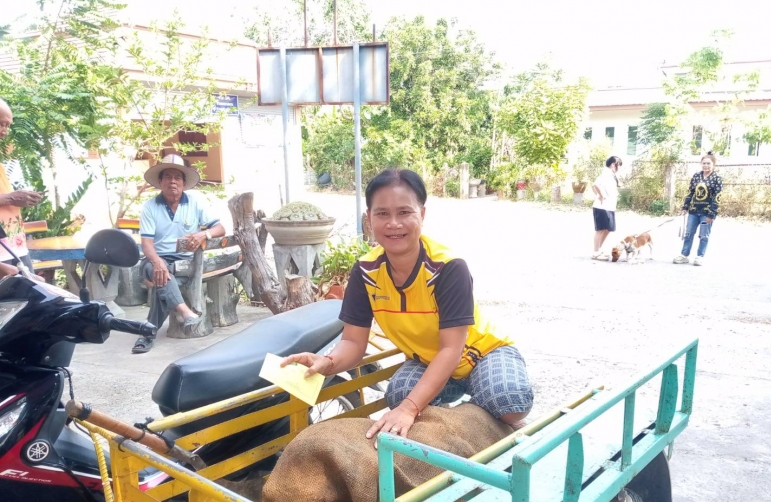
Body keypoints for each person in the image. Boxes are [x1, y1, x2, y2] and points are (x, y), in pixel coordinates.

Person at [282, 169, 534, 440]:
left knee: (508, 403)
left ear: (422, 214)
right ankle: (461, 416)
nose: (393, 223)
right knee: (399, 394)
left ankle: (489, 416)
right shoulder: (365, 271)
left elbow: (451, 349)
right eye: (382, 213)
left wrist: (411, 408)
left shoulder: (448, 268)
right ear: (369, 218)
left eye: (404, 212)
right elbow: (354, 342)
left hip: (482, 353)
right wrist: (328, 361)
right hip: (429, 360)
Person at [132, 154, 226, 354]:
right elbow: (147, 244)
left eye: (177, 177)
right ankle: (185, 312)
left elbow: (220, 228)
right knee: (161, 272)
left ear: (183, 183)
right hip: (156, 259)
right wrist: (158, 262)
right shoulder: (150, 207)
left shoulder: (195, 203)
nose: (172, 181)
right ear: (160, 182)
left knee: (164, 282)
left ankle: (147, 334)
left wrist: (204, 234)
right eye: (168, 177)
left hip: (186, 261)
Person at [0, 99, 44, 272]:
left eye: (8, 126)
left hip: (14, 246)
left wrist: (19, 198)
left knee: (34, 287)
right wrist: (11, 198)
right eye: (1, 124)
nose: (4, 131)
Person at [674, 152, 722, 266]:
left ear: (713, 164)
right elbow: (690, 193)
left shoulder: (717, 179)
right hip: (694, 211)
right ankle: (684, 255)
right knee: (688, 233)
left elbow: (717, 197)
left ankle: (700, 256)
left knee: (704, 235)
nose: (706, 165)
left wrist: (712, 214)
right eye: (704, 163)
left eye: (708, 163)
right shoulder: (696, 176)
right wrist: (685, 207)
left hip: (707, 212)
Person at [591, 156, 623, 260]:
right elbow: (595, 185)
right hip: (602, 206)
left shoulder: (611, 175)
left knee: (608, 229)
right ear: (614, 164)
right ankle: (596, 252)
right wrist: (600, 195)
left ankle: (599, 250)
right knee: (600, 229)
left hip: (609, 206)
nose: (619, 168)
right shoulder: (606, 173)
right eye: (619, 165)